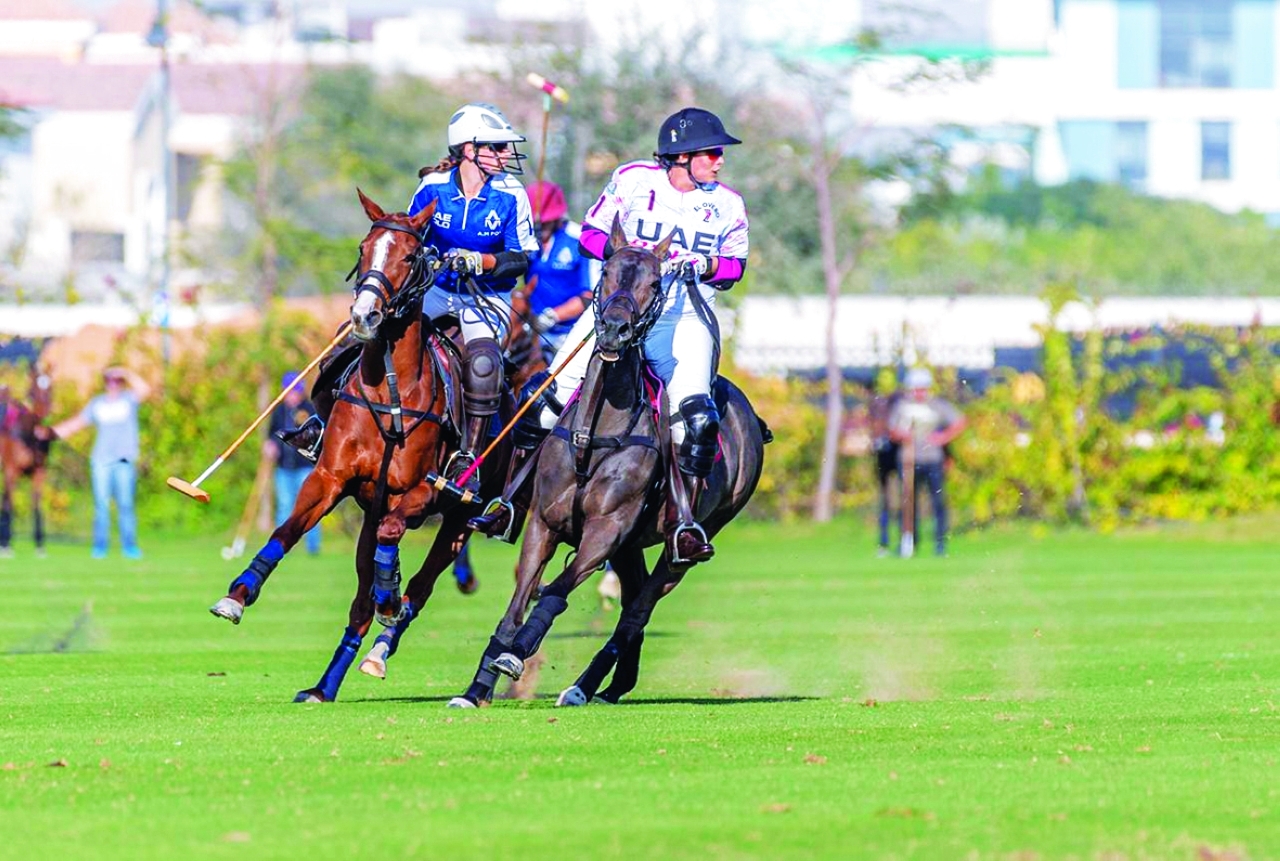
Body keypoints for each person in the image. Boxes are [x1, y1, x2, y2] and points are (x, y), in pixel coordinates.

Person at [471, 106, 749, 567]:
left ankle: (684, 524)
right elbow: (593, 235)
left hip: (680, 319)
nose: (720, 160)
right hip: (617, 307)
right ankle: (509, 504)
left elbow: (735, 267)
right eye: (712, 152)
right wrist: (629, 256)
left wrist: (704, 265)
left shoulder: (727, 203)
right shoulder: (632, 179)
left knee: (695, 421)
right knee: (545, 401)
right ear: (681, 156)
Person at [280, 102, 537, 489]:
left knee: (483, 363)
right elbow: (410, 236)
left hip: (486, 299)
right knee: (354, 335)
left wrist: (480, 261)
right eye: (496, 147)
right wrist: (425, 259)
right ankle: (322, 425)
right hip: (434, 290)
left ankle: (467, 458)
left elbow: (523, 258)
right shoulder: (433, 187)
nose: (504, 155)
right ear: (469, 150)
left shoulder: (511, 194)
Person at [48, 366, 151, 559]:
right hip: (101, 460)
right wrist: (49, 433)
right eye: (109, 380)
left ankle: (129, 546)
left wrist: (127, 372)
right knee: (101, 505)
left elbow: (146, 390)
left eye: (116, 381)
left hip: (124, 460)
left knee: (126, 505)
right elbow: (76, 423)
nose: (112, 384)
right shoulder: (97, 404)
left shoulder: (129, 399)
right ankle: (100, 546)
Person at [888, 367, 966, 557]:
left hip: (933, 460)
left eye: (922, 388)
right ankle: (909, 542)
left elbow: (960, 421)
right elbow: (892, 430)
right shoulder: (903, 406)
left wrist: (943, 437)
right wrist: (902, 435)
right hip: (908, 460)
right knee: (908, 503)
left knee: (938, 502)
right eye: (916, 388)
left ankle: (940, 543)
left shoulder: (937, 405)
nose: (919, 392)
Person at [521, 179, 598, 364]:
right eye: (535, 225)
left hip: (571, 333)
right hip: (531, 333)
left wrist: (553, 316)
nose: (540, 230)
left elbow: (589, 296)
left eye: (545, 224)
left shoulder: (579, 240)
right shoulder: (526, 240)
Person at [266, 371, 320, 555]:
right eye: (289, 392)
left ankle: (313, 548)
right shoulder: (278, 410)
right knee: (284, 506)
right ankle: (280, 546)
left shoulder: (309, 410)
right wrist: (270, 445)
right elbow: (272, 433)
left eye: (296, 392)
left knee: (309, 507)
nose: (292, 396)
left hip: (305, 467)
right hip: (283, 467)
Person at [867, 373, 902, 557]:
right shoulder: (877, 403)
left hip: (899, 453)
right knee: (885, 501)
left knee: (904, 499)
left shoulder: (899, 402)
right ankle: (885, 540)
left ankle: (906, 540)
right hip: (883, 455)